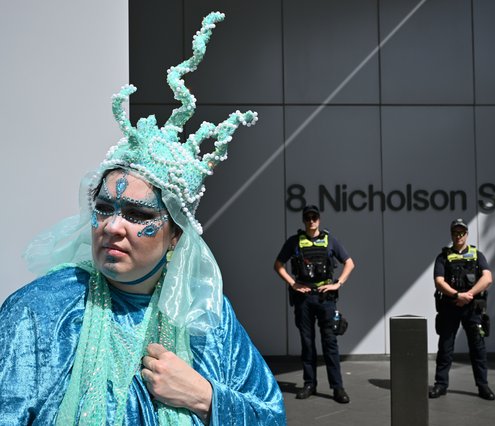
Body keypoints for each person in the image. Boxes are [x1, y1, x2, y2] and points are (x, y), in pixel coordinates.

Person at [0, 11, 285, 425]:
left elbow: (271, 415)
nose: (112, 227)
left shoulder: (205, 317)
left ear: (174, 235)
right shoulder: (41, 310)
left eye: (137, 214)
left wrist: (206, 397)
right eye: (104, 209)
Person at [274, 205, 355, 404]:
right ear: (304, 220)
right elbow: (278, 264)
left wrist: (337, 284)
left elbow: (350, 263)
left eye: (314, 217)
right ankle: (309, 383)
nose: (311, 221)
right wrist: (293, 283)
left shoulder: (330, 240)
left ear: (319, 219)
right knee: (307, 343)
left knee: (330, 344)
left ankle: (337, 387)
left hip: (325, 299)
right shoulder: (295, 242)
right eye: (308, 218)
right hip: (304, 299)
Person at [429, 218, 495, 401]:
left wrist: (469, 295)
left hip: (472, 309)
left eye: (462, 232)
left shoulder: (477, 255)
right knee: (445, 348)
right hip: (450, 307)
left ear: (466, 234)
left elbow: (488, 278)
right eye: (455, 232)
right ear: (451, 234)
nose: (458, 235)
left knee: (478, 348)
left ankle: (483, 386)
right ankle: (440, 385)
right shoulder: (443, 257)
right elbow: (439, 281)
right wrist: (457, 296)